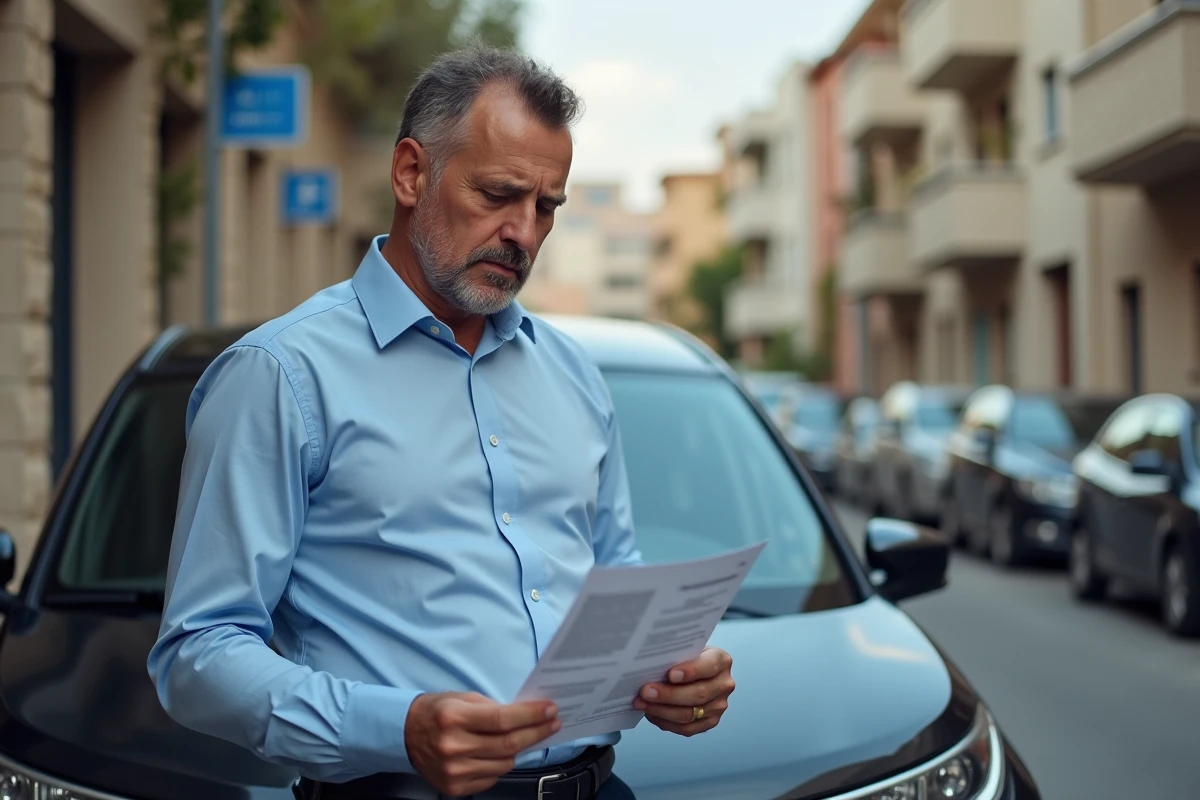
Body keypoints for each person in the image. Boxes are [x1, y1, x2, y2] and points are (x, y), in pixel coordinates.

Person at [147, 44, 736, 800]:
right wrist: (397, 727)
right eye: (498, 194)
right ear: (410, 173)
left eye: (546, 206)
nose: (524, 233)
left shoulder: (574, 375)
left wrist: (674, 671)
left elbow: (614, 577)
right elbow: (198, 653)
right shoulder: (280, 375)